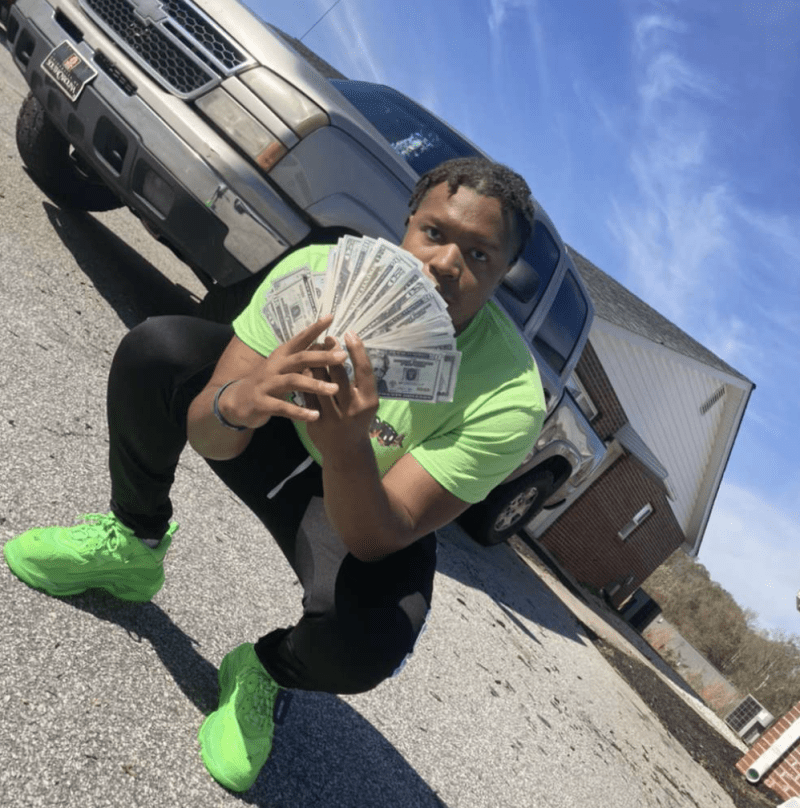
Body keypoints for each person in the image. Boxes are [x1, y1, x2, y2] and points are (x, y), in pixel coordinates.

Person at [3, 156, 547, 792]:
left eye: (479, 255)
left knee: (376, 639)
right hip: (269, 438)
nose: (447, 263)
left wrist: (346, 447)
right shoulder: (318, 272)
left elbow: (377, 535)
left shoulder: (511, 396)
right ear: (407, 222)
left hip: (358, 494)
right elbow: (210, 434)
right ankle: (133, 542)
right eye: (434, 232)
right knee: (159, 352)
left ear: (503, 274)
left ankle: (264, 670)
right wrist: (239, 401)